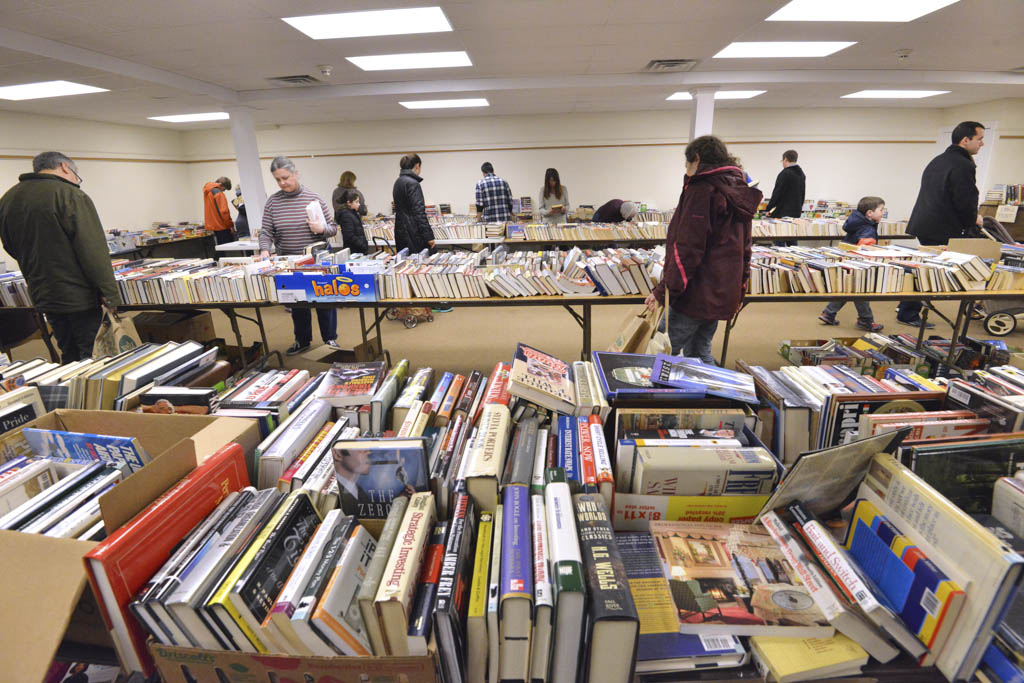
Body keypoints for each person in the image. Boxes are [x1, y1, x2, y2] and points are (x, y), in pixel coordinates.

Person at [645, 136, 762, 364]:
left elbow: (687, 248)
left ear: (696, 159)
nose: (686, 172)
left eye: (687, 165)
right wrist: (739, 289)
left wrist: (663, 291)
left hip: (695, 293)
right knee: (700, 351)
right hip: (721, 289)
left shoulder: (702, 190)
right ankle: (711, 396)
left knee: (659, 353)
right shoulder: (737, 190)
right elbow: (745, 248)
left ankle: (648, 399)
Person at [0, 151, 121, 363]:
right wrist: (110, 294)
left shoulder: (8, 199)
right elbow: (93, 251)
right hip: (79, 296)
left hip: (43, 294)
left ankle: (68, 394)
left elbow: (10, 246)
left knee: (68, 352)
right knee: (93, 355)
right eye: (77, 175)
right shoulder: (71, 195)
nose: (76, 180)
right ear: (65, 167)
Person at [896, 121, 986, 327]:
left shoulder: (939, 160)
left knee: (926, 268)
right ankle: (908, 311)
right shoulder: (963, 164)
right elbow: (965, 198)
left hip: (926, 223)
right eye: (979, 139)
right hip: (942, 227)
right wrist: (973, 219)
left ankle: (907, 307)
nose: (981, 144)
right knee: (932, 271)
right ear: (966, 140)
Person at [258, 156, 340, 355]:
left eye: (285, 177)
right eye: (277, 179)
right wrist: (264, 249)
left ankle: (330, 339)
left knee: (324, 300)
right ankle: (302, 340)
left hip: (317, 259)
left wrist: (321, 228)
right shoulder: (273, 202)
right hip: (290, 261)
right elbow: (266, 231)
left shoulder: (314, 198)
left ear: (296, 174)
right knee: (297, 303)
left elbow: (333, 228)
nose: (282, 182)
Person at [817, 196, 886, 332]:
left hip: (847, 259)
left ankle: (828, 314)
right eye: (881, 210)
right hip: (858, 263)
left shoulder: (856, 221)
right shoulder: (867, 229)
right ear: (870, 213)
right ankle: (866, 320)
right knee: (861, 292)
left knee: (849, 289)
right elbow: (866, 249)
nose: (883, 213)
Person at [392, 153, 435, 254]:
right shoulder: (413, 183)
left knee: (404, 263)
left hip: (400, 230)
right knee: (419, 264)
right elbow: (419, 212)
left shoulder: (398, 182)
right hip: (413, 232)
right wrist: (429, 237)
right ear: (417, 166)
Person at [765, 150, 805, 218]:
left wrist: (769, 208)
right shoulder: (801, 174)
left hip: (783, 212)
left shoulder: (785, 173)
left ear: (785, 159)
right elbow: (802, 194)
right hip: (796, 212)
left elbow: (777, 193)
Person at [202, 176, 235, 245]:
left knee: (220, 249)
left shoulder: (208, 192)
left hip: (213, 226)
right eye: (224, 189)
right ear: (222, 185)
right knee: (229, 250)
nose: (224, 191)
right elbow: (224, 212)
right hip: (222, 227)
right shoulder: (219, 193)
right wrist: (230, 225)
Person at [335, 188, 368, 254]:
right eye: (356, 202)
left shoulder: (353, 213)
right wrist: (362, 245)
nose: (359, 204)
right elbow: (349, 235)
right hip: (354, 251)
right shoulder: (346, 215)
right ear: (349, 203)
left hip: (358, 250)